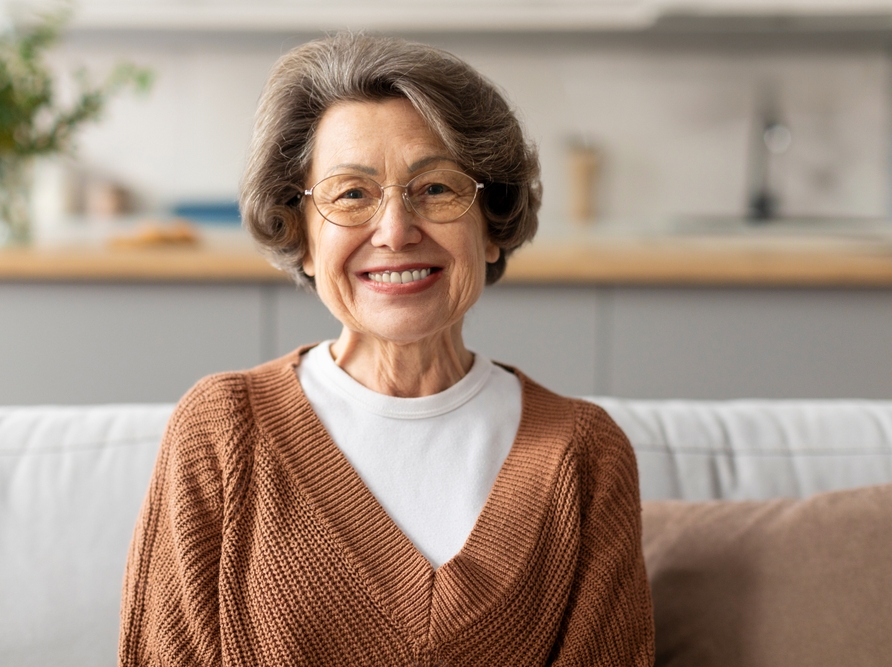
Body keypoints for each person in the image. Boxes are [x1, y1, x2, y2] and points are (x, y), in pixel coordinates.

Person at [119, 33, 654, 667]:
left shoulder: (585, 455)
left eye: (436, 189)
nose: (396, 231)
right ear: (305, 239)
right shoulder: (221, 432)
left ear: (492, 226)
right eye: (352, 194)